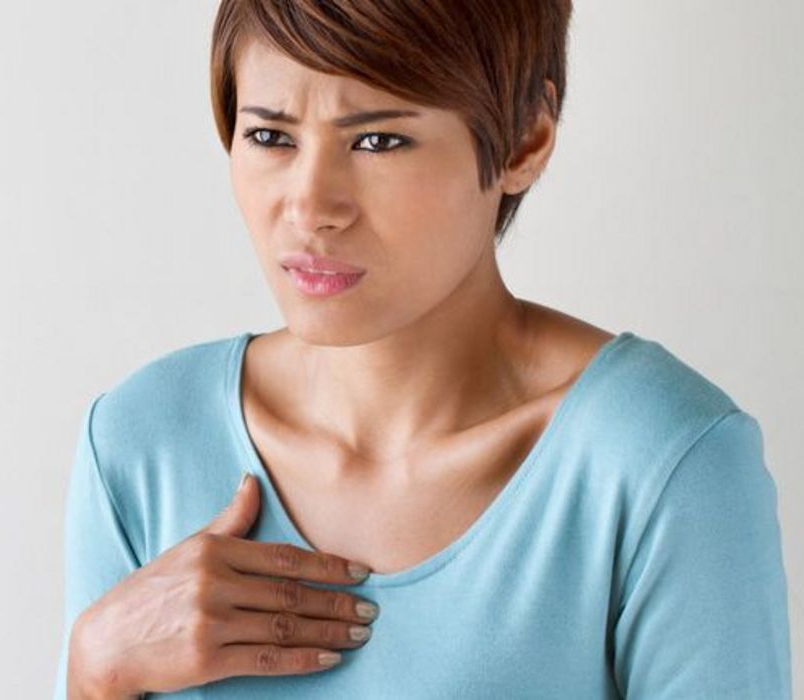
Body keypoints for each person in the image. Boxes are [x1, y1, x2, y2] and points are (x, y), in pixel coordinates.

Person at [54, 1, 793, 697]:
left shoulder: (660, 462)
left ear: (524, 140)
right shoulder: (139, 441)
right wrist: (94, 675)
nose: (311, 207)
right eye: (270, 136)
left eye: (378, 140)